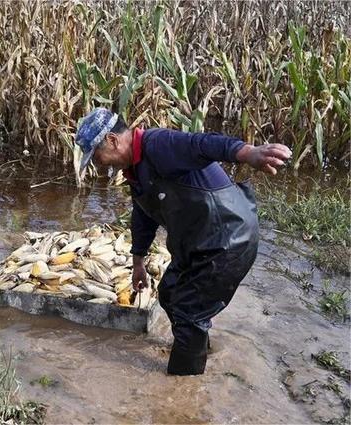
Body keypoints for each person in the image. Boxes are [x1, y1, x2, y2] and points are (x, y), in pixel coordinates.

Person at [75, 107, 291, 376]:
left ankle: (183, 389)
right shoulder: (134, 169)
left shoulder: (158, 144)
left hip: (228, 239)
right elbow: (143, 216)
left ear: (112, 140)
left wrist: (248, 153)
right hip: (199, 242)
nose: (99, 163)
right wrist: (138, 262)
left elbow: (203, 144)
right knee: (170, 292)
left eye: (96, 156)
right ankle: (199, 349)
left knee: (189, 311)